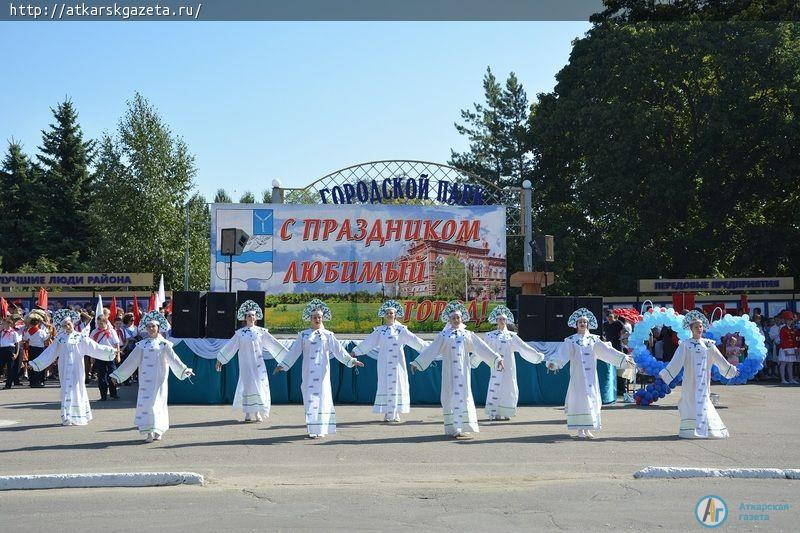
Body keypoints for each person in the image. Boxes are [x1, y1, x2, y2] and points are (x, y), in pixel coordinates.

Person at [409, 300, 505, 440]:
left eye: (458, 317)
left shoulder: (467, 334)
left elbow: (482, 347)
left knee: (463, 397)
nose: (455, 320)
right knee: (450, 397)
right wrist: (417, 362)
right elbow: (432, 350)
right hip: (449, 374)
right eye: (453, 318)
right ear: (449, 319)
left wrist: (497, 358)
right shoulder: (444, 335)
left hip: (463, 374)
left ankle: (462, 427)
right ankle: (454, 428)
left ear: (462, 318)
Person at [272, 299, 364, 439]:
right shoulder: (303, 335)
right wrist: (282, 365)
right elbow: (294, 352)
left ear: (323, 318)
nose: (317, 319)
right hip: (308, 373)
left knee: (323, 399)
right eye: (314, 317)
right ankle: (311, 428)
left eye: (319, 317)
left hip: (323, 375)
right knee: (310, 399)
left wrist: (351, 361)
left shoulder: (328, 335)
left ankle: (321, 428)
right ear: (310, 319)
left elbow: (339, 351)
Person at [546, 308, 634, 439]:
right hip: (578, 377)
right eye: (580, 322)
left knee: (591, 400)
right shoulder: (571, 340)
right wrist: (554, 362)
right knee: (579, 400)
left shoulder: (594, 339)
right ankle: (579, 429)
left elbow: (607, 351)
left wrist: (623, 357)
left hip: (591, 377)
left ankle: (588, 428)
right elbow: (562, 353)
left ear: (588, 324)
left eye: (585, 322)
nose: (582, 323)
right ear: (576, 324)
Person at [110, 311, 194, 443]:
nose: (151, 328)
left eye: (153, 326)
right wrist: (118, 375)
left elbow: (174, 359)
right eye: (149, 326)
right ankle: (148, 432)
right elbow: (131, 361)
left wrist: (184, 369)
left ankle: (158, 430)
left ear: (158, 328)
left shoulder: (163, 344)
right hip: (145, 382)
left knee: (157, 404)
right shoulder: (141, 345)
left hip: (159, 380)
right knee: (146, 405)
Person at [26, 309, 118, 425]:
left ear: (72, 323)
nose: (67, 326)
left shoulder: (81, 337)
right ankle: (67, 416)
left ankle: (79, 415)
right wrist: (34, 363)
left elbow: (94, 347)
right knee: (66, 390)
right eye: (64, 325)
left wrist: (111, 351)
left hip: (77, 368)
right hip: (64, 368)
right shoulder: (60, 338)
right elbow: (49, 353)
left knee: (77, 388)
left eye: (68, 324)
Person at [658, 310, 739, 439]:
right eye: (696, 327)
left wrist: (730, 369)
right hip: (690, 381)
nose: (699, 329)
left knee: (704, 401)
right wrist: (665, 374)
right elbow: (676, 362)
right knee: (689, 402)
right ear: (691, 329)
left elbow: (720, 359)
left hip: (703, 381)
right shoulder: (685, 345)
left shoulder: (709, 344)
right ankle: (690, 430)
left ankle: (709, 429)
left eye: (700, 326)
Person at [351, 300, 427, 423]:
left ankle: (395, 412)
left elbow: (415, 341)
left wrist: (429, 350)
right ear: (384, 315)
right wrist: (355, 352)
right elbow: (368, 342)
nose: (389, 315)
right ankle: (387, 412)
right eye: (387, 313)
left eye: (391, 313)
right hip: (384, 363)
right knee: (385, 385)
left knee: (397, 385)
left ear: (395, 315)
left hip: (397, 364)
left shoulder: (401, 330)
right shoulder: (380, 331)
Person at [216, 300, 288, 422]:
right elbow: (230, 347)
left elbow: (273, 344)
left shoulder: (262, 332)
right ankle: (248, 413)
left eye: (253, 315)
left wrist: (287, 358)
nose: (251, 317)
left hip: (258, 365)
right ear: (245, 318)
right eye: (249, 315)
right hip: (245, 365)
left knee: (259, 387)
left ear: (256, 317)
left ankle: (257, 413)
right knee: (248, 386)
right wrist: (220, 360)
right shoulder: (240, 333)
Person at [481, 305, 544, 420]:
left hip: (509, 366)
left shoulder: (511, 336)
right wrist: (473, 360)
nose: (502, 321)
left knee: (509, 386)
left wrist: (537, 356)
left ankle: (507, 411)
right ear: (496, 321)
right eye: (499, 319)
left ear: (507, 320)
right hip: (495, 366)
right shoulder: (490, 336)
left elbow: (523, 347)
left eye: (504, 319)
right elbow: (482, 349)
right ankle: (495, 412)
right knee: (495, 386)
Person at [90, 316, 122, 400]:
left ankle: (113, 393)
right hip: (99, 356)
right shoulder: (94, 332)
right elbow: (91, 345)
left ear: (106, 322)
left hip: (111, 356)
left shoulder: (111, 331)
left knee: (112, 374)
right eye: (98, 323)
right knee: (101, 376)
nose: (99, 325)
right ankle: (103, 395)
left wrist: (118, 355)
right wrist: (92, 356)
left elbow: (116, 344)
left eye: (101, 323)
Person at [22, 309, 51, 387]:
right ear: (38, 323)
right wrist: (49, 332)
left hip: (32, 349)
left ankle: (32, 381)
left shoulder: (29, 331)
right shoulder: (41, 331)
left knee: (31, 364)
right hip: (40, 350)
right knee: (39, 364)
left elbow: (24, 339)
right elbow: (46, 339)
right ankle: (38, 381)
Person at [777, 312, 799, 384]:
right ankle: (783, 379)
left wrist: (796, 348)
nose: (789, 321)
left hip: (792, 348)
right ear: (786, 321)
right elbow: (782, 339)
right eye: (788, 320)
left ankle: (791, 379)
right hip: (784, 348)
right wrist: (785, 349)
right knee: (783, 364)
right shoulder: (783, 328)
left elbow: (795, 339)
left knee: (790, 364)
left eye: (791, 320)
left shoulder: (793, 329)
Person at [1, 317, 22, 389]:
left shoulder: (14, 332)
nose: (2, 325)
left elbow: (17, 344)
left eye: (4, 324)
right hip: (2, 349)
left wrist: (16, 353)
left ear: (9, 324)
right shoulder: (2, 332)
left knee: (10, 368)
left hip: (10, 349)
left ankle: (8, 385)